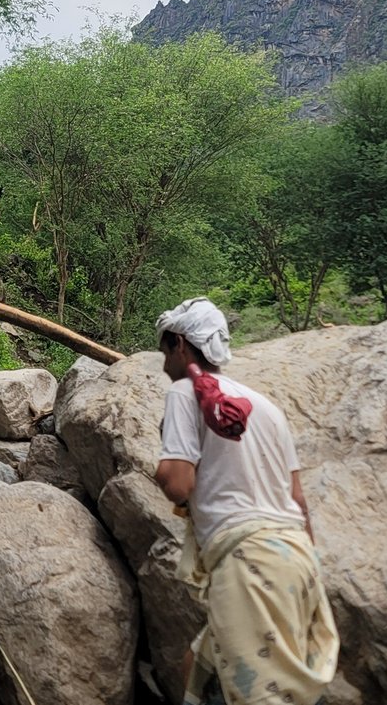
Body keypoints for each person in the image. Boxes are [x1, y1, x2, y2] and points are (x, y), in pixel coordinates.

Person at [152, 298, 338, 705]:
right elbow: (298, 500)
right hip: (297, 559)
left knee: (262, 695)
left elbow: (177, 483)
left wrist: (164, 467)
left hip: (250, 564)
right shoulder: (267, 407)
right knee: (198, 666)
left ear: (180, 345)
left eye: (164, 351)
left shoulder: (185, 393)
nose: (163, 364)